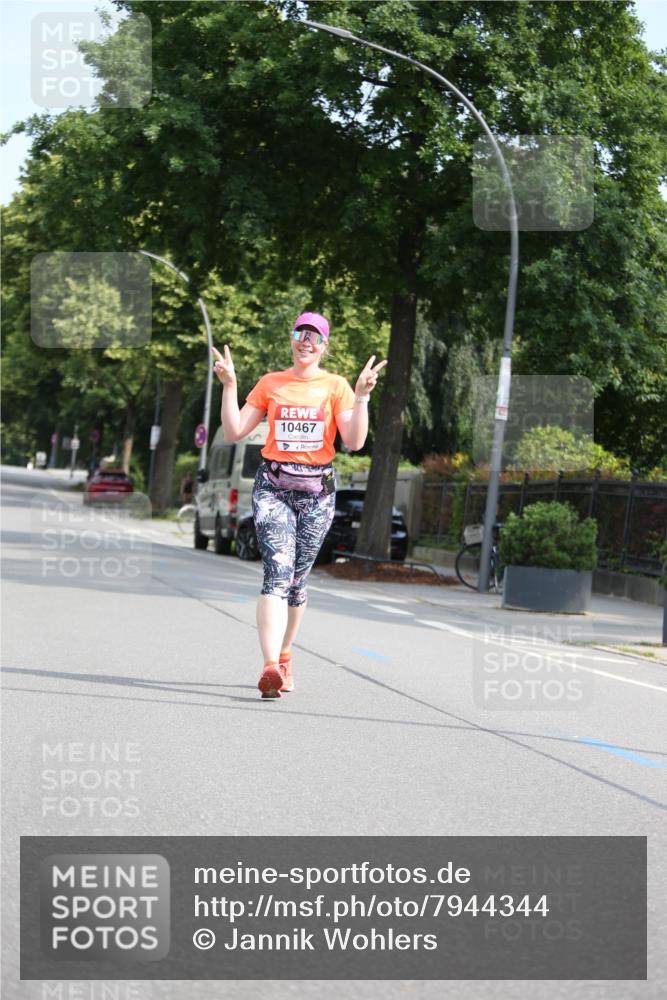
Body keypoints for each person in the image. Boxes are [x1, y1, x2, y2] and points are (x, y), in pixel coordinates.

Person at [211, 311, 387, 699]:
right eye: (300, 333)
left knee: (296, 582)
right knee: (276, 572)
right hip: (273, 488)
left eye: (315, 336)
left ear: (324, 346)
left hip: (317, 494)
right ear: (291, 339)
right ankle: (270, 666)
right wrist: (229, 386)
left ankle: (286, 654)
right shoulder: (270, 383)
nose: (306, 341)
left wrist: (362, 397)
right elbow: (235, 430)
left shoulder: (336, 386)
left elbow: (355, 442)